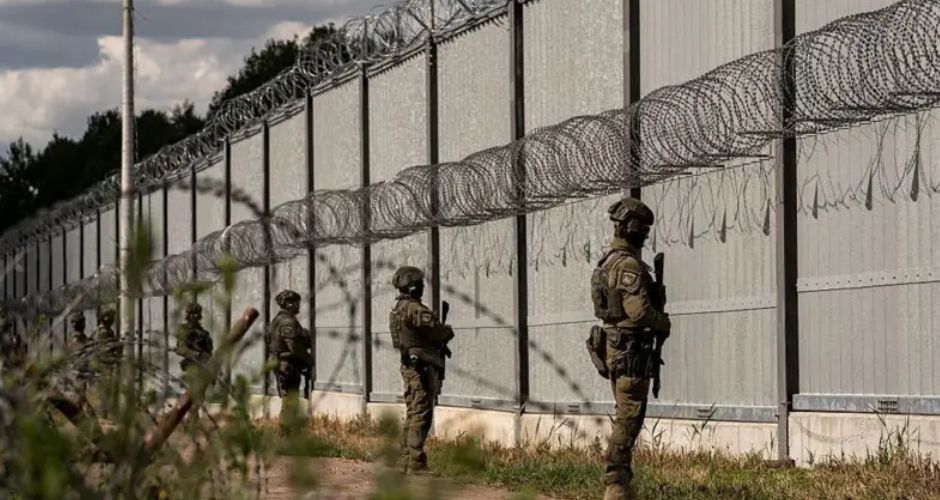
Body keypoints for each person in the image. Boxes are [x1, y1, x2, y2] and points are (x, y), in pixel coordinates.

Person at [589, 197, 671, 500]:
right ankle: (616, 483)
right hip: (630, 349)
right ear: (634, 228)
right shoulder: (628, 265)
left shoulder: (608, 261)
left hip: (616, 347)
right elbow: (638, 312)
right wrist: (663, 322)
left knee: (625, 412)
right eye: (644, 230)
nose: (645, 236)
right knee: (629, 415)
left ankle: (620, 481)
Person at [389, 266, 454, 474]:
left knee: (413, 412)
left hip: (410, 366)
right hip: (421, 368)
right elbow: (436, 331)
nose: (423, 287)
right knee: (421, 413)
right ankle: (416, 462)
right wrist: (446, 331)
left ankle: (405, 459)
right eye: (420, 284)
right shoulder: (414, 309)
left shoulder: (398, 309)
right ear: (412, 287)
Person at [267, 290, 313, 414]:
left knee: (288, 400)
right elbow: (293, 346)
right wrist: (308, 359)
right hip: (287, 365)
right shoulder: (288, 322)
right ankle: (287, 425)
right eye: (297, 303)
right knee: (290, 401)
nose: (299, 306)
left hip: (282, 364)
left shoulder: (277, 320)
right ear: (289, 304)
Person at [176, 302, 213, 375]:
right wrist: (196, 354)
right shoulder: (184, 330)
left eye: (197, 313)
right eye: (193, 313)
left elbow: (209, 352)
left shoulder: (204, 333)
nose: (195, 316)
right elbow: (182, 349)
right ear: (188, 315)